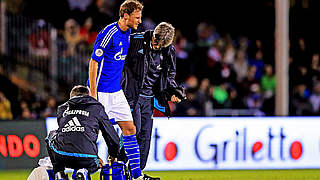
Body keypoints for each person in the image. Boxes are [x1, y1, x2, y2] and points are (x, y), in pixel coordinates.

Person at [87, 1, 146, 179]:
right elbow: (93, 63)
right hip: (101, 92)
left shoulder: (128, 32)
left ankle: (136, 175)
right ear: (125, 16)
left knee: (130, 129)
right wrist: (93, 95)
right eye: (137, 17)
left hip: (116, 91)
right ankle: (81, 171)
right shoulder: (108, 33)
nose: (140, 21)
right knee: (92, 135)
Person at [121, 22, 186, 179]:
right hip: (132, 96)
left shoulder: (169, 50)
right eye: (156, 41)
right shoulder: (135, 40)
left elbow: (170, 74)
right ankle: (121, 167)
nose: (157, 46)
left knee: (145, 137)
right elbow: (119, 62)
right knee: (132, 133)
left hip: (149, 100)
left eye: (161, 45)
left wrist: (172, 92)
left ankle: (137, 174)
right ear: (154, 34)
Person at [45, 85, 120, 180]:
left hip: (62, 156)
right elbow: (111, 135)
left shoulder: (62, 109)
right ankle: (83, 170)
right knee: (86, 159)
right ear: (88, 96)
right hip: (89, 158)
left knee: (51, 135)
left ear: (71, 97)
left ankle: (60, 173)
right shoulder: (97, 108)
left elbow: (71, 136)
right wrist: (113, 155)